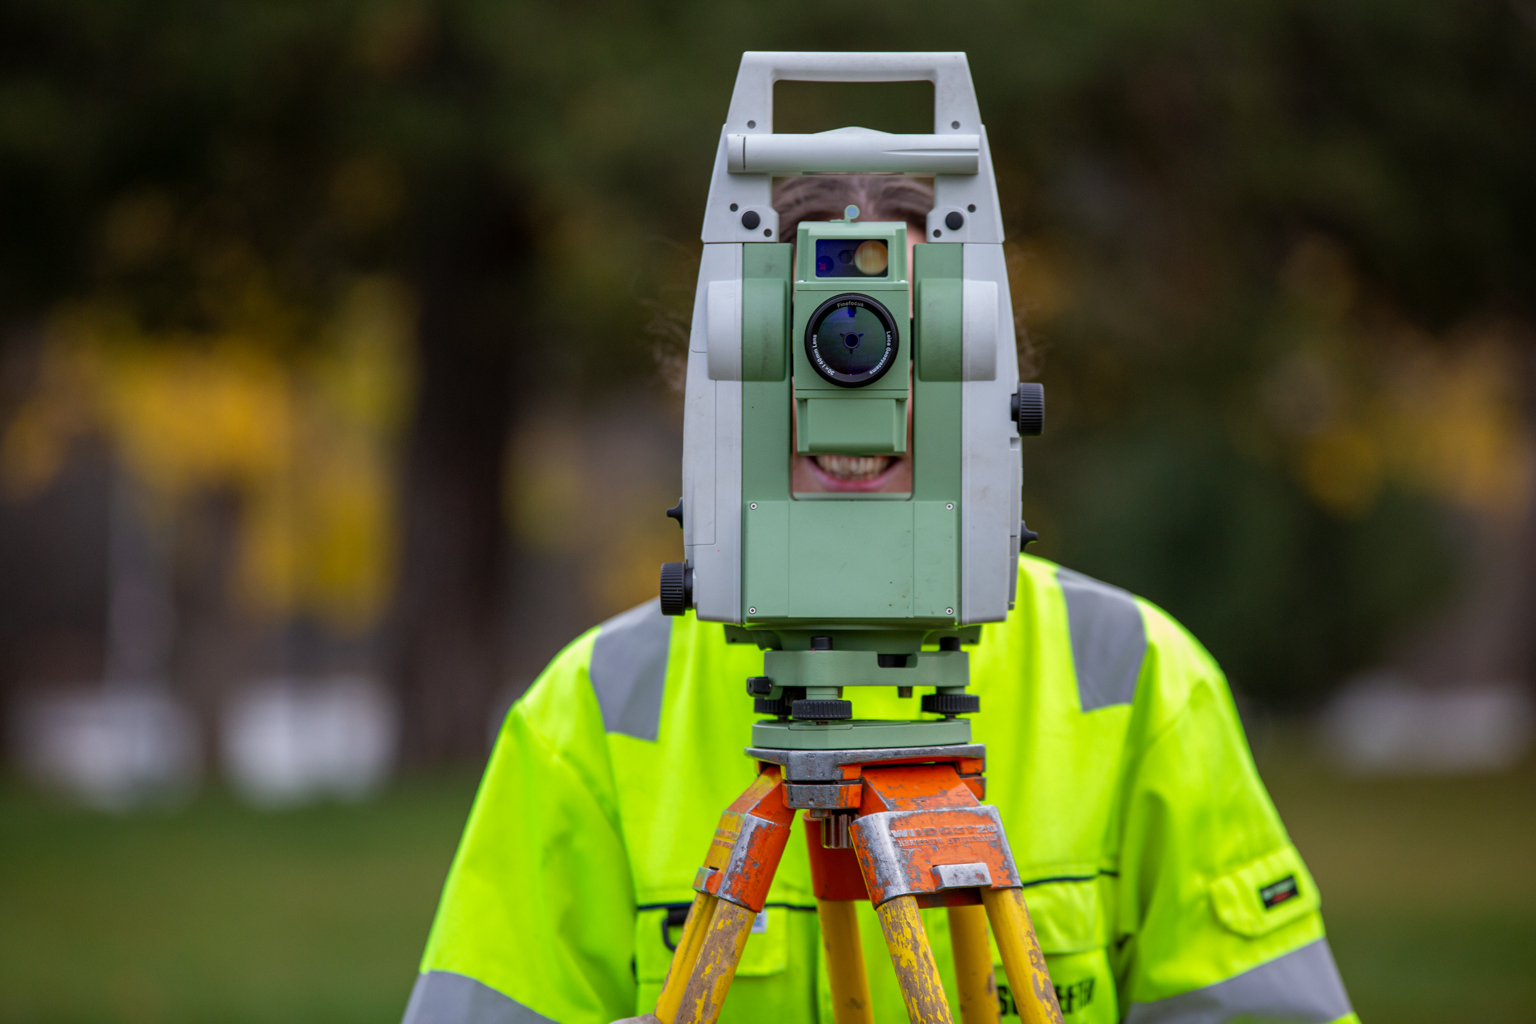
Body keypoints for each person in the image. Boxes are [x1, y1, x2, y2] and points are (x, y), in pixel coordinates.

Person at [400, 176, 1359, 1024]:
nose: (855, 377)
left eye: (901, 340)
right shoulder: (595, 711)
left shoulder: (1138, 680)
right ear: (725, 383)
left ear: (987, 384)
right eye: (812, 339)